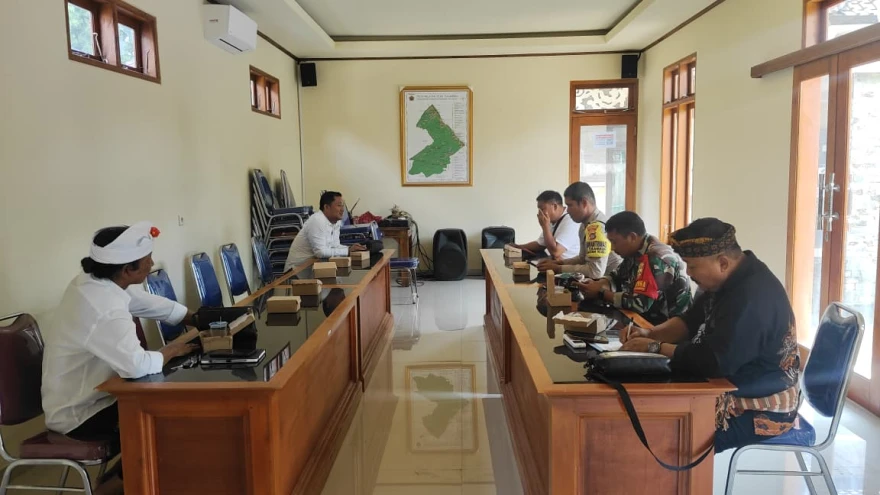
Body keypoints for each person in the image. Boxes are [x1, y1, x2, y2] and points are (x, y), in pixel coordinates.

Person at [41, 222, 200, 495]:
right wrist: (170, 351)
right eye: (147, 261)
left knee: (167, 409)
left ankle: (132, 477)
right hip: (79, 413)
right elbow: (135, 366)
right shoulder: (102, 307)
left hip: (96, 396)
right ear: (128, 270)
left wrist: (195, 318)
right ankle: (117, 486)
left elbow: (144, 302)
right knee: (168, 418)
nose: (152, 264)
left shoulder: (97, 282)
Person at [619, 218, 800, 452]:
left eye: (692, 266)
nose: (689, 273)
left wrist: (655, 347)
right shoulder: (723, 281)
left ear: (722, 262)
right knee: (645, 412)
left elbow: (712, 362)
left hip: (760, 405)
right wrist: (650, 333)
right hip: (727, 383)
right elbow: (690, 321)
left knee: (669, 439)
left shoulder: (752, 297)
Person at [576, 211, 692, 325]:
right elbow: (617, 275)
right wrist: (598, 284)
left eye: (614, 242)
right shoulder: (636, 250)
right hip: (644, 320)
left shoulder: (656, 257)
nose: (611, 248)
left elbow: (639, 303)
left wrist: (601, 293)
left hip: (668, 328)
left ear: (632, 237)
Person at [537, 182, 622, 278]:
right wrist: (559, 263)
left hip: (612, 284)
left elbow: (595, 272)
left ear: (584, 203)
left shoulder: (596, 228)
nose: (567, 210)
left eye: (570, 205)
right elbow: (582, 259)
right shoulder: (584, 225)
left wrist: (558, 268)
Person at [284, 191, 367, 271]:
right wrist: (348, 251)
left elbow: (335, 246)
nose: (342, 209)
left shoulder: (336, 222)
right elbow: (320, 252)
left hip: (316, 268)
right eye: (339, 205)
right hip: (296, 272)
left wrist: (351, 248)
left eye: (343, 206)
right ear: (326, 207)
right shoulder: (317, 220)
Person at [511, 190, 580, 260]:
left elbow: (556, 252)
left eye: (542, 209)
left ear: (555, 206)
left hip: (566, 267)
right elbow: (540, 244)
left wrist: (545, 227)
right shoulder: (551, 220)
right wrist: (518, 246)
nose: (539, 213)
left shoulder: (570, 221)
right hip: (554, 263)